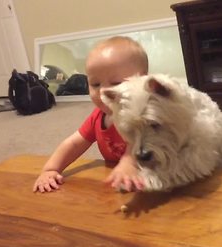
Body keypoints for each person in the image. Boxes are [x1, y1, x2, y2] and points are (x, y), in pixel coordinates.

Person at [33, 36, 148, 193]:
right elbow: (74, 143)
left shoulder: (145, 114)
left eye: (116, 83)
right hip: (120, 179)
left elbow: (141, 142)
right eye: (95, 84)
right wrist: (51, 169)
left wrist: (129, 163)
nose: (103, 91)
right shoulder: (98, 117)